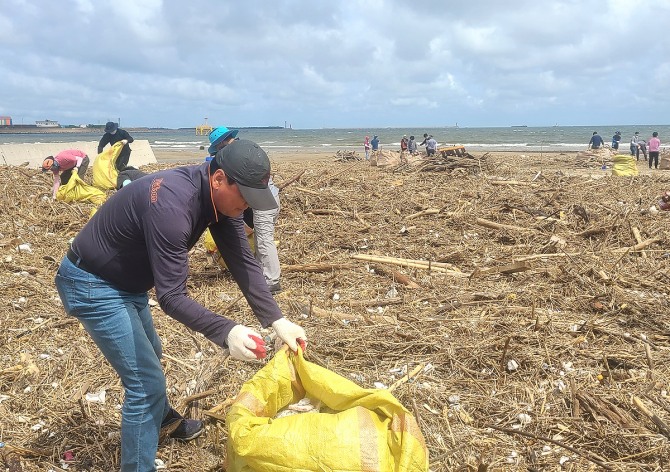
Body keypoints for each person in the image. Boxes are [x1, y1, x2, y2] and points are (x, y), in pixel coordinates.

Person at [54, 139, 307, 471]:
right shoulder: (172, 206)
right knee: (145, 384)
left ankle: (162, 423)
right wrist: (226, 332)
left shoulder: (219, 201)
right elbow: (171, 298)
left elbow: (243, 262)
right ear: (219, 180)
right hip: (92, 283)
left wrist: (276, 320)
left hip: (126, 284)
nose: (247, 207)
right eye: (244, 196)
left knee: (151, 353)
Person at [242, 179, 282, 293]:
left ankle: (272, 281)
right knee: (260, 240)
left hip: (264, 202)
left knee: (264, 241)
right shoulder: (257, 162)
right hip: (271, 198)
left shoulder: (242, 164)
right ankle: (261, 276)